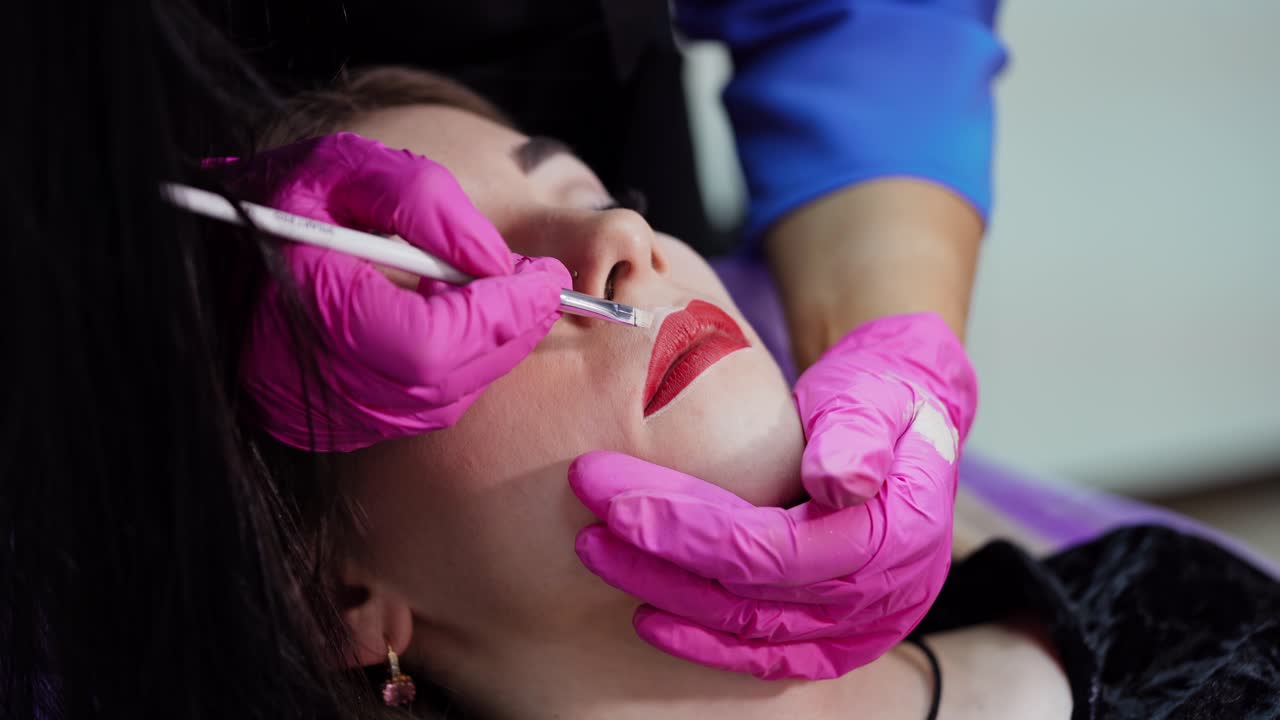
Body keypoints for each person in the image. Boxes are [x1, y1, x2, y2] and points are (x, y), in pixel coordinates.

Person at [247, 68, 1280, 719]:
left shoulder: (1178, 619)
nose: (622, 238)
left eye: (596, 195)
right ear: (333, 596)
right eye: (450, 280)